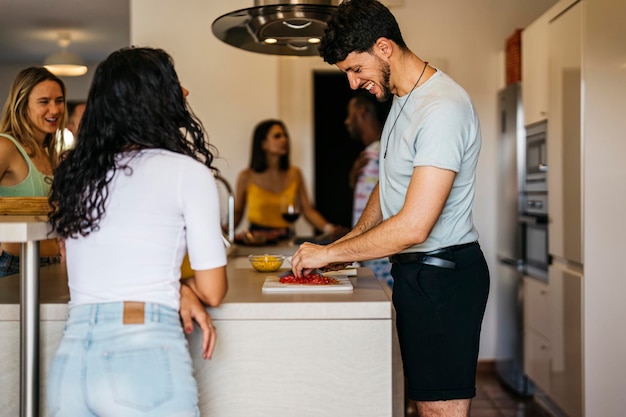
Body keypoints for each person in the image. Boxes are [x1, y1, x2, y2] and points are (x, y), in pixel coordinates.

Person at [290, 1, 490, 416]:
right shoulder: (403, 98)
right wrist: (350, 241)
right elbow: (391, 182)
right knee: (422, 404)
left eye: (355, 69)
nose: (351, 83)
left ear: (384, 48)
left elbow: (415, 226)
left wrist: (329, 253)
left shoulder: (442, 108)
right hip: (418, 274)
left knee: (441, 410)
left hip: (444, 278)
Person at [46, 46, 228, 416]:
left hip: (72, 360)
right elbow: (213, 289)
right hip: (143, 354)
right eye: (173, 85)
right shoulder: (186, 174)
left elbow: (95, 266)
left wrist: (173, 286)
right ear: (156, 100)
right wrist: (181, 288)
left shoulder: (76, 177)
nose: (185, 93)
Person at [0, 67, 65, 277]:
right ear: (22, 105)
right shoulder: (6, 147)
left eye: (59, 100)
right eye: (44, 102)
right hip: (14, 265)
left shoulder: (49, 155)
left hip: (50, 262)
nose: (54, 110)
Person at [233, 119, 337, 241]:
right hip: (257, 242)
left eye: (285, 136)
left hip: (287, 240)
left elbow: (308, 210)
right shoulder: (246, 176)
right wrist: (219, 231)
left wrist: (330, 229)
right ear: (263, 144)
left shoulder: (295, 173)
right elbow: (237, 213)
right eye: (277, 136)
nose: (284, 140)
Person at [345, 94, 393, 286]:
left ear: (362, 113)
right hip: (372, 255)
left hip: (383, 261)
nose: (347, 121)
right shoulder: (372, 154)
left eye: (349, 115)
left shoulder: (381, 152)